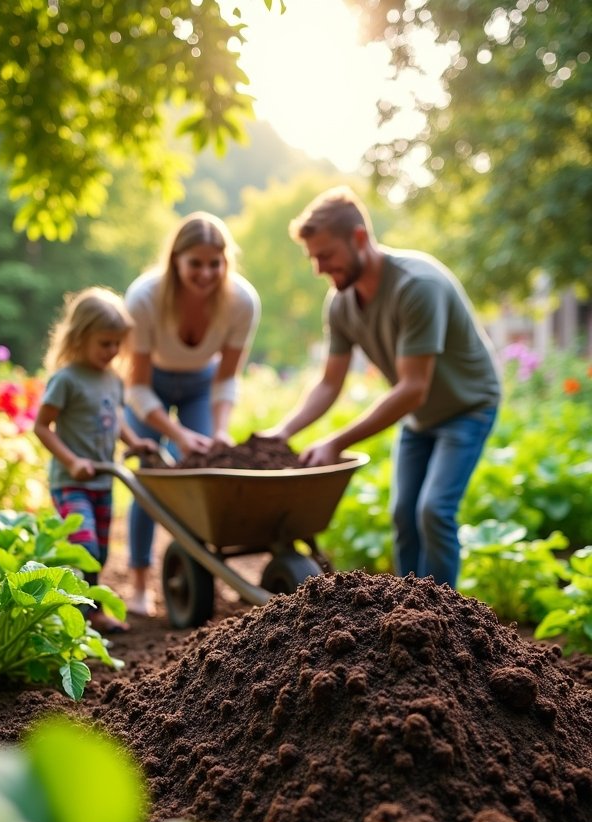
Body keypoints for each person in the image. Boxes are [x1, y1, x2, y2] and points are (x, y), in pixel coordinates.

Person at [265, 186, 501, 589]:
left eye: (326, 256)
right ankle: (409, 610)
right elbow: (328, 385)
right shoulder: (340, 304)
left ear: (359, 238)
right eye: (313, 258)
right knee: (403, 513)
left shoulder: (417, 286)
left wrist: (335, 442)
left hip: (467, 406)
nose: (319, 269)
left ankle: (444, 620)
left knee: (433, 510)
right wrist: (281, 433)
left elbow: (412, 389)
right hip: (420, 416)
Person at [123, 212, 261, 616]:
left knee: (202, 473)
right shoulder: (145, 298)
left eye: (214, 263)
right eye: (195, 264)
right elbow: (136, 386)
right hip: (151, 384)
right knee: (148, 481)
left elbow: (226, 378)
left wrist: (219, 430)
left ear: (226, 261)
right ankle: (137, 583)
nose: (205, 273)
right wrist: (176, 434)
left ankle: (200, 572)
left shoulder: (242, 301)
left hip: (201, 385)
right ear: (175, 260)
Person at [34, 286, 158, 634]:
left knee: (100, 552)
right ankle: (82, 613)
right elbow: (42, 427)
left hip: (103, 479)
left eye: (117, 343)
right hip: (71, 481)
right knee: (84, 545)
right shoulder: (66, 379)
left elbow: (115, 419)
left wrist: (134, 442)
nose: (113, 351)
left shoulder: (113, 380)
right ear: (80, 336)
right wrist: (72, 461)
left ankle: (86, 609)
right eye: (105, 343)